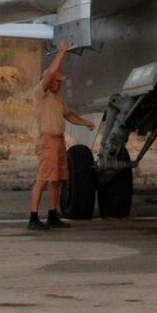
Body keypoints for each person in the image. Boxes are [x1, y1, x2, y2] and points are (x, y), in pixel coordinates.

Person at [28, 41, 95, 231]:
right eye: (58, 81)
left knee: (57, 179)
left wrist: (84, 122)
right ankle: (33, 216)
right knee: (43, 179)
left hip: (59, 141)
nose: (60, 84)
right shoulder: (41, 93)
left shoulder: (58, 100)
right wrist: (61, 53)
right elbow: (49, 74)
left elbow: (69, 115)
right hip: (47, 141)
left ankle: (52, 214)